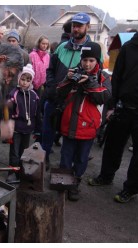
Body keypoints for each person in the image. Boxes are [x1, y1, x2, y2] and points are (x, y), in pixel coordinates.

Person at [56, 42, 111, 201]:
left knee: (81, 158)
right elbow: (59, 92)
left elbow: (105, 97)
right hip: (69, 124)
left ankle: (75, 184)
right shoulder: (73, 72)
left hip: (88, 128)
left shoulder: (102, 77)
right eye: (84, 60)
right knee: (66, 157)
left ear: (98, 60)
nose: (87, 64)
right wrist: (68, 79)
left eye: (91, 60)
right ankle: (63, 183)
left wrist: (89, 82)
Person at [88, 31, 138, 203]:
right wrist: (111, 105)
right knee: (113, 144)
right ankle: (106, 176)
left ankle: (130, 188)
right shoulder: (128, 48)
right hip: (123, 106)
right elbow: (116, 77)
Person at [42, 12, 93, 169]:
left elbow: (95, 74)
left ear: (88, 27)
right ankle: (44, 159)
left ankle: (66, 168)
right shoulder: (61, 47)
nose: (76, 29)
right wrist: (51, 86)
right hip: (55, 97)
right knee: (47, 131)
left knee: (70, 136)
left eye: (79, 26)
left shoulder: (92, 49)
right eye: (74, 25)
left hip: (74, 101)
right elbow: (50, 70)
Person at [6, 64, 41, 182]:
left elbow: (37, 113)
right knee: (15, 152)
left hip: (28, 129)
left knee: (24, 151)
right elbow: (8, 112)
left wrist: (37, 129)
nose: (25, 82)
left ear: (31, 81)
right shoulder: (13, 94)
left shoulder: (34, 95)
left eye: (28, 80)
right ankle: (12, 172)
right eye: (23, 79)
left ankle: (21, 172)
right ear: (19, 78)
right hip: (16, 128)